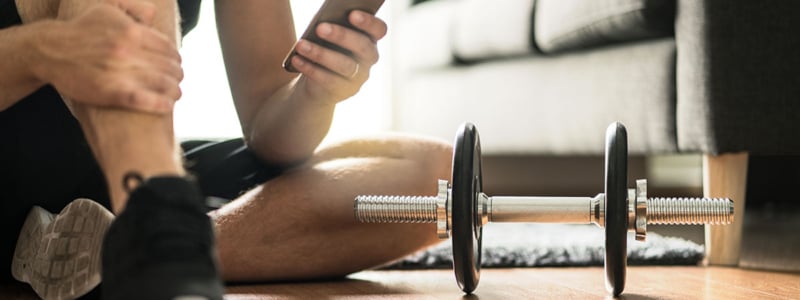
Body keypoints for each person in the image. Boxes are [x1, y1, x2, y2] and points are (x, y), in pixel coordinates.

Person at [0, 0, 452, 299]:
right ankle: (159, 242)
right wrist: (42, 51)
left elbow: (270, 134)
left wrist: (314, 94)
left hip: (100, 198)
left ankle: (111, 251)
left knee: (437, 182)